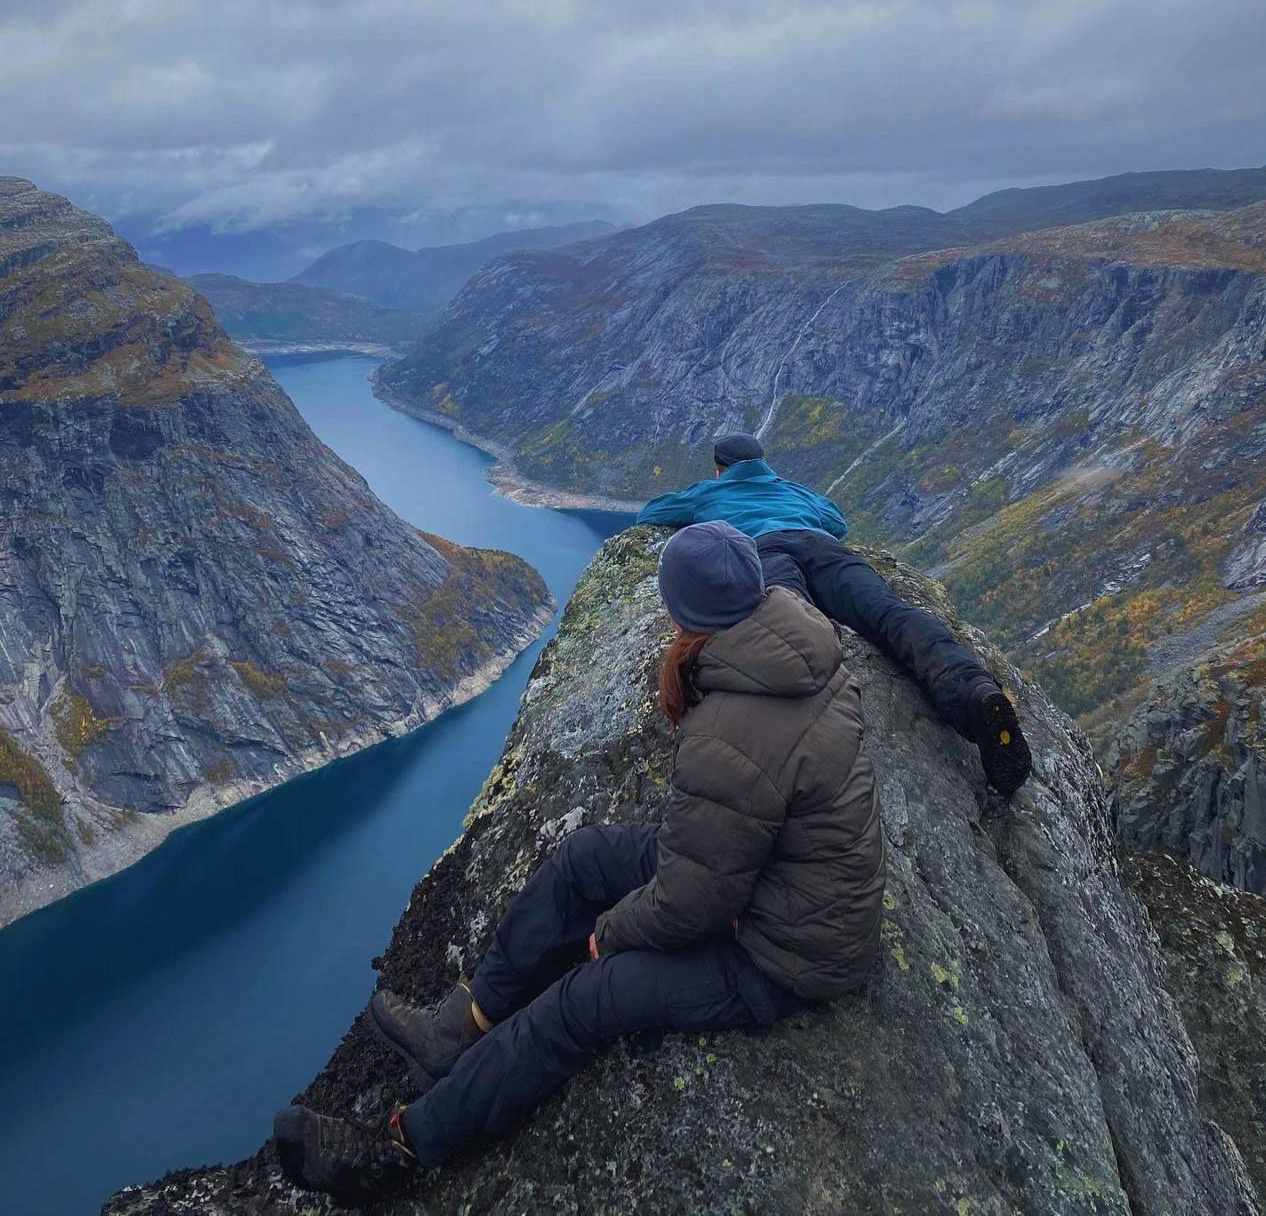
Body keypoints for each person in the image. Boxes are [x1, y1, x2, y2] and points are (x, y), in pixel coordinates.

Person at [273, 521, 885, 1204]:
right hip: (776, 885)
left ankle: (397, 1150)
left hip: (785, 956)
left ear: (685, 612)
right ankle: (459, 1028)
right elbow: (719, 851)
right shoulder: (800, 649)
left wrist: (613, 933)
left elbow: (697, 902)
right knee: (587, 856)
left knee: (582, 1000)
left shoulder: (732, 732)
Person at [637, 433, 1032, 796]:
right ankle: (974, 692)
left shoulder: (709, 491)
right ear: (765, 464)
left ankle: (818, 738)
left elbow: (651, 513)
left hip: (765, 553)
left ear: (719, 469)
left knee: (793, 630)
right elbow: (836, 522)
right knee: (888, 613)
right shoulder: (793, 490)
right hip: (824, 548)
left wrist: (706, 506)